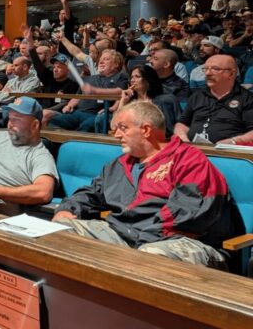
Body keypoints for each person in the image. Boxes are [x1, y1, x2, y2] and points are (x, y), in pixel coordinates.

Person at [53, 102, 235, 269]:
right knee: (60, 229)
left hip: (180, 241)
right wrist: (68, 209)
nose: (116, 135)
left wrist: (138, 243)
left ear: (146, 130)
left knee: (147, 257)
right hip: (125, 236)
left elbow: (189, 213)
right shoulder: (120, 164)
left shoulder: (188, 160)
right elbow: (91, 192)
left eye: (122, 128)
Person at [174, 54, 253, 144]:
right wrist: (183, 138)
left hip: (229, 153)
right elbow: (182, 123)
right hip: (193, 150)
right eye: (206, 69)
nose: (208, 73)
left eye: (215, 69)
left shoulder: (247, 98)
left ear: (231, 73)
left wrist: (233, 141)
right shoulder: (197, 96)